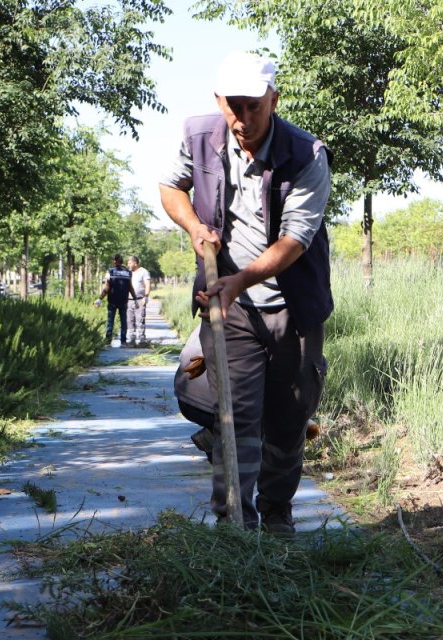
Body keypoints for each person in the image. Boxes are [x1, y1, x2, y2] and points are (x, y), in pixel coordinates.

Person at [159, 51, 332, 534]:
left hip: (292, 309)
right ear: (219, 101)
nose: (244, 118)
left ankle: (277, 516)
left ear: (274, 99)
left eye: (255, 106)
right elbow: (171, 187)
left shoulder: (306, 155)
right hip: (228, 309)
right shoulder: (199, 135)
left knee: (289, 420)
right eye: (233, 106)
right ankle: (235, 528)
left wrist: (241, 280)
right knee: (235, 419)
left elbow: (295, 240)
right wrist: (194, 226)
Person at [96, 254, 135, 346]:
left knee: (110, 321)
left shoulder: (110, 272)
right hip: (123, 301)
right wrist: (135, 299)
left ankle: (108, 341)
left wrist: (100, 299)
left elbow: (107, 288)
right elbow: (130, 287)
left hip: (112, 300)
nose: (113, 262)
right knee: (123, 321)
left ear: (116, 261)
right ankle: (123, 341)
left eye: (113, 260)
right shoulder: (128, 272)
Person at [127, 255, 152, 347]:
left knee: (140, 320)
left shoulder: (144, 272)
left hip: (140, 299)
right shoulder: (128, 272)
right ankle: (131, 340)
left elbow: (147, 284)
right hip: (128, 300)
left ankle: (142, 339)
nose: (128, 264)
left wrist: (146, 297)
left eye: (129, 263)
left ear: (135, 263)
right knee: (130, 320)